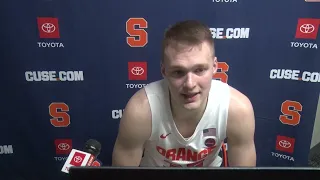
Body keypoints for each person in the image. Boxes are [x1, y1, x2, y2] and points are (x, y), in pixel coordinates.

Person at [112, 20, 256, 167]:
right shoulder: (141, 110)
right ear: (164, 71)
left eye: (199, 70)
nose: (190, 84)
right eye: (178, 72)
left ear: (214, 67)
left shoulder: (237, 109)